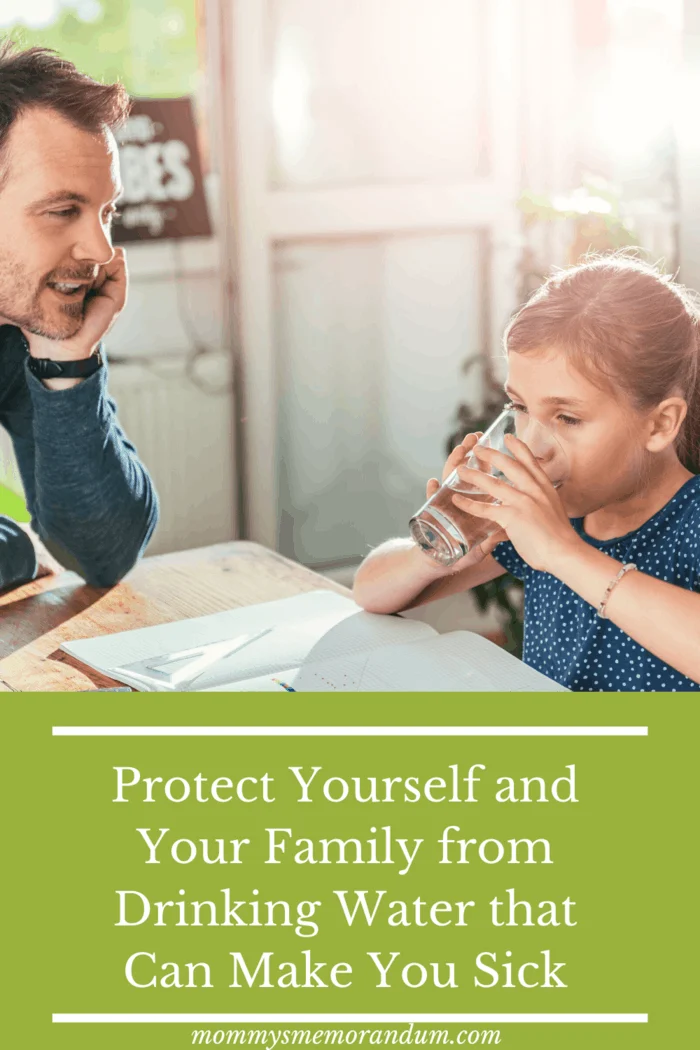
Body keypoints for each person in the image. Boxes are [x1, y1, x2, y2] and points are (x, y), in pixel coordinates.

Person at [354, 255, 700, 691]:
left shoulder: (689, 522)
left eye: (568, 418)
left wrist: (563, 553)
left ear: (660, 424)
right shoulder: (550, 517)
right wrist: (438, 550)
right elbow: (369, 591)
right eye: (520, 408)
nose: (533, 447)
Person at [0, 40, 158, 591]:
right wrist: (16, 548)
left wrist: (65, 361)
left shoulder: (19, 328)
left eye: (106, 211)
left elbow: (102, 552)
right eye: (64, 210)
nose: (99, 250)